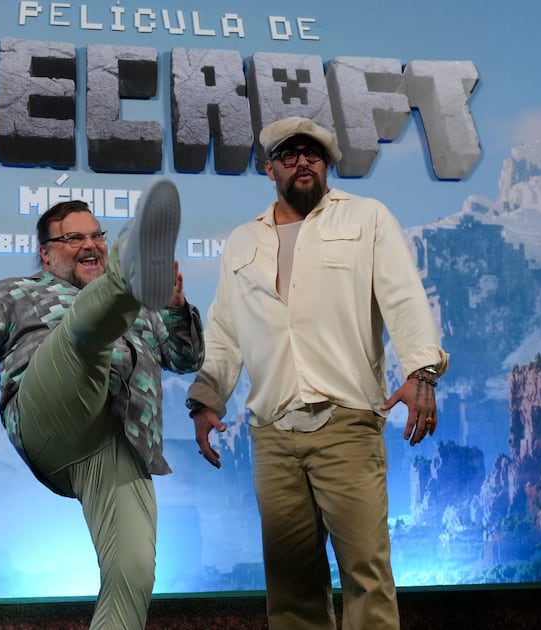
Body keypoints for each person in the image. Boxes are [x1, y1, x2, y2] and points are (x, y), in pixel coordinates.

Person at [185, 116, 448, 630]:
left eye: (314, 153)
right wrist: (206, 398)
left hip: (346, 424)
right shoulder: (242, 241)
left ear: (326, 164)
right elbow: (225, 330)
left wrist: (422, 372)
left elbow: (403, 296)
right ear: (270, 169)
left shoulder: (366, 218)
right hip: (273, 434)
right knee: (291, 590)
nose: (302, 161)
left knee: (366, 577)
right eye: (289, 155)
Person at [0, 180, 203, 630]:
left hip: (120, 440)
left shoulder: (144, 310)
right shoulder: (13, 292)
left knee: (133, 574)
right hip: (50, 411)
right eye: (73, 238)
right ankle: (128, 266)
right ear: (46, 254)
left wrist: (173, 306)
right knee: (83, 334)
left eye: (97, 236)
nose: (89, 245)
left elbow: (187, 360)